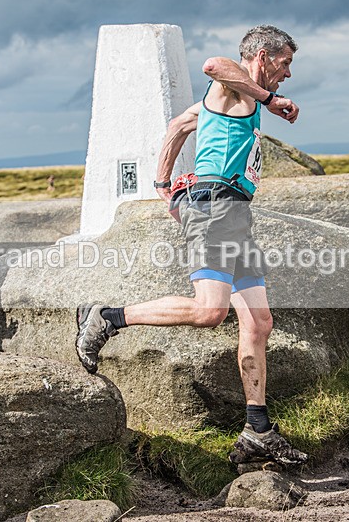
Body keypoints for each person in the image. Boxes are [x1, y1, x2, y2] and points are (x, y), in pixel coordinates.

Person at [75, 25, 307, 467]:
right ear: (262, 55)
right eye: (286, 62)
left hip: (235, 213)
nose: (288, 74)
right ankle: (104, 317)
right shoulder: (234, 85)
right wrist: (268, 98)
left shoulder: (231, 101)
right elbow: (212, 64)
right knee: (209, 312)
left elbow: (179, 123)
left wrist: (163, 183)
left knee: (258, 322)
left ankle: (257, 429)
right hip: (216, 208)